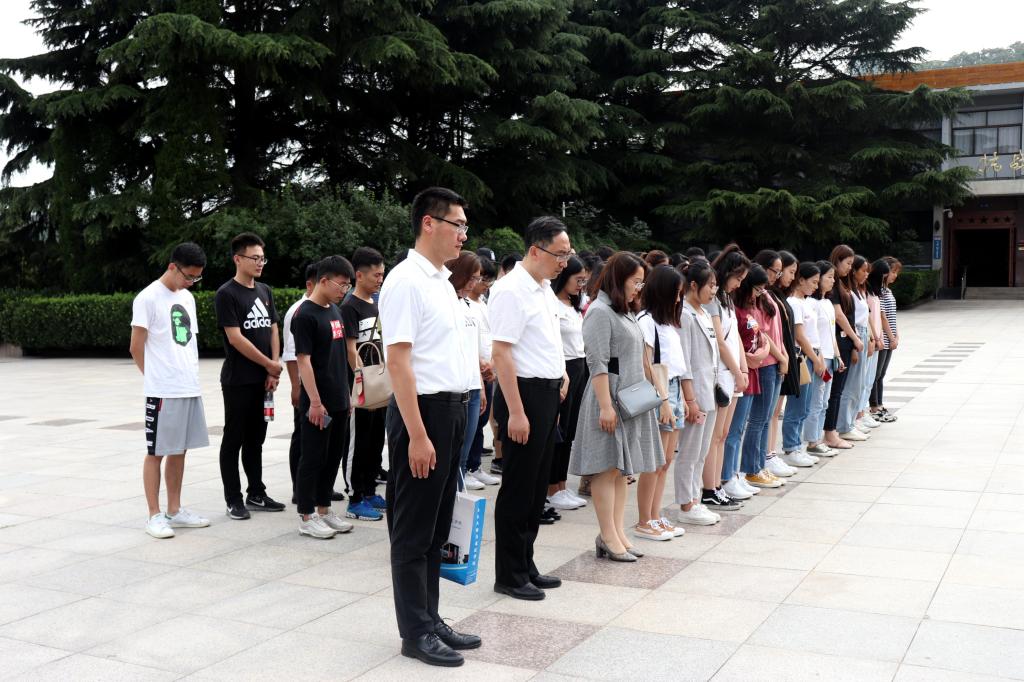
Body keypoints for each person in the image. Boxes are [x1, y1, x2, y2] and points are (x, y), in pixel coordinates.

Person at [379, 187, 481, 667]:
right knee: (414, 530)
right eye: (457, 225)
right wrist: (418, 435)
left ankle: (431, 617)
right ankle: (415, 632)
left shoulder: (441, 280)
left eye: (464, 227)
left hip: (452, 412)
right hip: (423, 414)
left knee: (438, 526)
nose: (463, 235)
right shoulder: (406, 281)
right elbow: (399, 362)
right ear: (429, 223)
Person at [489, 216, 572, 601]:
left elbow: (545, 341)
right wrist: (517, 412)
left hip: (547, 393)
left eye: (568, 254)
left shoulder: (543, 288)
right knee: (519, 487)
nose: (564, 262)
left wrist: (561, 374)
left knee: (537, 486)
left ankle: (526, 562)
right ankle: (509, 573)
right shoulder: (510, 290)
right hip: (522, 394)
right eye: (560, 254)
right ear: (536, 250)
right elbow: (502, 353)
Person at [570, 252, 664, 561]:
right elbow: (597, 363)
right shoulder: (599, 311)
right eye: (636, 281)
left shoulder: (624, 311)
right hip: (609, 398)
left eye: (641, 283)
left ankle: (617, 532)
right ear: (619, 279)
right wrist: (605, 406)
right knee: (606, 469)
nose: (639, 288)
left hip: (631, 400)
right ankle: (607, 535)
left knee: (622, 471)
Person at [129, 242, 211, 539]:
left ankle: (174, 510)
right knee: (157, 452)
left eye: (197, 277)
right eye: (188, 276)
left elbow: (187, 342)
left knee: (180, 450)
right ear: (172, 266)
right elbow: (136, 347)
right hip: (163, 390)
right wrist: (155, 379)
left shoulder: (187, 297)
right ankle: (154, 515)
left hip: (189, 386)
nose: (192, 282)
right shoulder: (148, 298)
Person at [214, 232, 286, 520]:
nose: (259, 263)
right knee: (234, 439)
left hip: (264, 380)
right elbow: (235, 338)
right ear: (237, 259)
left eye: (262, 258)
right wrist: (269, 364)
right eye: (254, 258)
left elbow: (273, 328)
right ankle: (233, 499)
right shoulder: (226, 294)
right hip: (238, 380)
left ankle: (256, 492)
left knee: (256, 439)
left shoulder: (264, 291)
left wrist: (273, 367)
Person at [291, 255, 357, 540]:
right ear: (324, 280)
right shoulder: (305, 315)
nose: (344, 290)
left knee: (332, 457)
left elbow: (340, 358)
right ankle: (306, 516)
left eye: (347, 285)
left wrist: (348, 395)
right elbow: (303, 361)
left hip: (339, 399)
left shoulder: (335, 311)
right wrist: (315, 403)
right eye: (342, 284)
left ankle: (324, 509)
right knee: (313, 458)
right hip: (319, 403)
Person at [676, 260, 732, 523]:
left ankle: (695, 498)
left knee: (701, 452)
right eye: (710, 285)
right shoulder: (684, 315)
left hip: (709, 391)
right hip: (696, 394)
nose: (714, 290)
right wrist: (690, 399)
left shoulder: (705, 313)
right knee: (689, 452)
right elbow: (685, 362)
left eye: (715, 285)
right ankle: (686, 505)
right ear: (693, 285)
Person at [635, 266, 687, 539]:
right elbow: (647, 365)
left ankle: (655, 516)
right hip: (661, 392)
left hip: (673, 389)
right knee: (654, 461)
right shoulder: (646, 321)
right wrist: (664, 400)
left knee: (666, 460)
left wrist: (682, 398)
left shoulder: (667, 323)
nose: (678, 299)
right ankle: (645, 520)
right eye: (675, 293)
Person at [339, 246, 388, 521]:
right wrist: (360, 381)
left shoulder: (375, 304)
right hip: (360, 388)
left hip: (378, 385)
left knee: (375, 440)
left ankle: (369, 491)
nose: (380, 280)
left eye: (382, 274)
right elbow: (350, 349)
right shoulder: (349, 307)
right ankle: (354, 498)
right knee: (357, 444)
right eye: (376, 275)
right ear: (359, 275)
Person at [546, 256, 590, 516]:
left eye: (584, 281)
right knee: (559, 429)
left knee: (570, 430)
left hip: (580, 366)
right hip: (564, 368)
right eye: (577, 279)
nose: (580, 285)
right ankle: (552, 487)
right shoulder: (552, 304)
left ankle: (562, 485)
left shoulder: (574, 306)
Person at [708, 246, 752, 502]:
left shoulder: (727, 300)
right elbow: (720, 342)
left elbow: (734, 338)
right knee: (715, 436)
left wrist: (743, 369)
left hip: (732, 372)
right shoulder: (713, 300)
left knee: (723, 434)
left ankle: (717, 486)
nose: (739, 284)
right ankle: (710, 488)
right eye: (738, 278)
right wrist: (737, 371)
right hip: (722, 373)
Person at [724, 265, 774, 491]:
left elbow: (761, 337)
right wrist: (748, 360)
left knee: (739, 429)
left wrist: (763, 352)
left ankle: (734, 474)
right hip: (740, 371)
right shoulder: (733, 309)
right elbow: (730, 344)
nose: (759, 294)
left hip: (751, 371)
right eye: (757, 289)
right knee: (733, 430)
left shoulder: (750, 308)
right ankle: (727, 477)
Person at [742, 251, 789, 488]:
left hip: (775, 361)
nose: (776, 276)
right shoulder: (755, 299)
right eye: (774, 271)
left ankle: (759, 465)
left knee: (766, 418)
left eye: (779, 272)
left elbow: (777, 332)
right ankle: (752, 468)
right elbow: (762, 334)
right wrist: (780, 356)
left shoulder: (767, 295)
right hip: (766, 363)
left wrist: (784, 355)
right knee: (759, 419)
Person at [446, 252, 489, 492]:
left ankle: (458, 499)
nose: (474, 283)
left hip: (472, 386)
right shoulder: (446, 304)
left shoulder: (471, 307)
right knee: (451, 454)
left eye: (478, 278)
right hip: (453, 390)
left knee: (463, 453)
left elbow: (472, 350)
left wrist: (480, 385)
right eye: (471, 277)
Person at [780, 262, 824, 468]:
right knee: (797, 406)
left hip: (812, 354)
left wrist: (818, 356)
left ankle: (797, 446)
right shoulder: (794, 303)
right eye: (813, 282)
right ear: (801, 280)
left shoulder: (806, 302)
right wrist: (815, 359)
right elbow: (799, 335)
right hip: (802, 357)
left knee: (805, 405)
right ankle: (791, 447)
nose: (815, 286)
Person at [282, 263, 318, 503]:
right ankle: (299, 488)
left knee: (319, 438)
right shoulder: (297, 311)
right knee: (302, 436)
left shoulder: (328, 308)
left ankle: (319, 486)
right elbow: (292, 355)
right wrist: (296, 387)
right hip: (305, 387)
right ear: (310, 284)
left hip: (322, 386)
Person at [762, 250, 798, 480]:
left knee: (775, 411)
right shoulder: (765, 295)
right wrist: (781, 356)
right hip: (772, 359)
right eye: (788, 271)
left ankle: (770, 454)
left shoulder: (776, 294)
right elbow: (764, 331)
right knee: (767, 414)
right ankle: (765, 456)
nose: (788, 276)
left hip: (781, 357)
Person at [466, 257, 501, 486]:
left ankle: (475, 465)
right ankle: (466, 468)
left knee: (480, 422)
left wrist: (493, 365)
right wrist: (481, 365)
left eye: (489, 280)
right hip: (474, 370)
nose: (486, 284)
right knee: (472, 423)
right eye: (482, 279)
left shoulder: (484, 304)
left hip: (488, 370)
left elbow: (493, 338)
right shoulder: (465, 304)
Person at [804, 261, 842, 457]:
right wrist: (818, 360)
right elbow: (811, 336)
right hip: (818, 359)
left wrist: (837, 355)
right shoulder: (811, 304)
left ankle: (817, 438)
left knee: (824, 402)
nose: (832, 281)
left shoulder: (827, 303)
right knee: (816, 402)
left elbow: (831, 333)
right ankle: (812, 441)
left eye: (833, 277)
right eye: (829, 277)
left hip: (829, 357)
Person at [823, 245, 859, 449]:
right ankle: (830, 433)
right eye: (848, 263)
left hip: (844, 343)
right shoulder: (834, 287)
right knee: (834, 391)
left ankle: (832, 431)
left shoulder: (842, 284)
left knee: (837, 390)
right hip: (839, 341)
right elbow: (839, 316)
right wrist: (855, 338)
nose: (849, 268)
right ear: (837, 261)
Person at [837, 256, 872, 442]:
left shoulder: (858, 291)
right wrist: (854, 345)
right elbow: (848, 320)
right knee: (851, 385)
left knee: (859, 383)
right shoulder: (847, 292)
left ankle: (850, 422)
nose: (866, 274)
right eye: (862, 270)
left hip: (862, 334)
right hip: (855, 335)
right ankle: (844, 425)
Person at [859, 259, 891, 430]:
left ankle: (862, 413)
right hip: (870, 338)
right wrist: (874, 338)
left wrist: (878, 337)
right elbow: (868, 318)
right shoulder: (865, 292)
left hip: (876, 338)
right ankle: (860, 414)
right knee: (864, 379)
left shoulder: (874, 292)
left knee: (870, 379)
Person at [871, 257, 901, 422]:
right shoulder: (879, 291)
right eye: (893, 272)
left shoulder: (887, 291)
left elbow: (891, 316)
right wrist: (890, 337)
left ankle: (880, 404)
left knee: (881, 374)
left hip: (890, 338)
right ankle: (874, 407)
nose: (895, 275)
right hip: (883, 338)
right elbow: (882, 317)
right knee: (876, 374)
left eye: (896, 272)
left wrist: (896, 335)